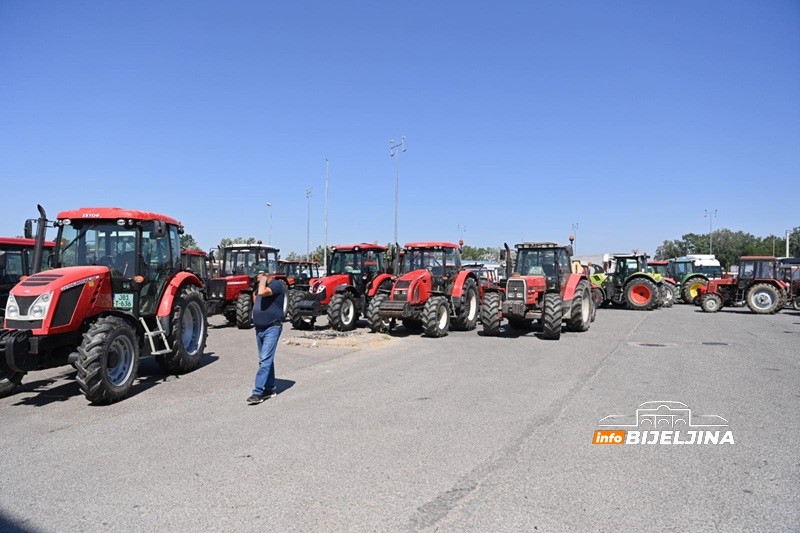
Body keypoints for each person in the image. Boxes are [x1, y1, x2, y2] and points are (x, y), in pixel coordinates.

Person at [247, 272, 285, 405]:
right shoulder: (260, 287)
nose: (256, 279)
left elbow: (262, 293)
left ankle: (258, 393)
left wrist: (262, 281)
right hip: (260, 328)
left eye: (257, 276)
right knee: (266, 359)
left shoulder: (276, 285)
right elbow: (256, 297)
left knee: (265, 360)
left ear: (264, 274)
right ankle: (269, 389)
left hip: (272, 327)